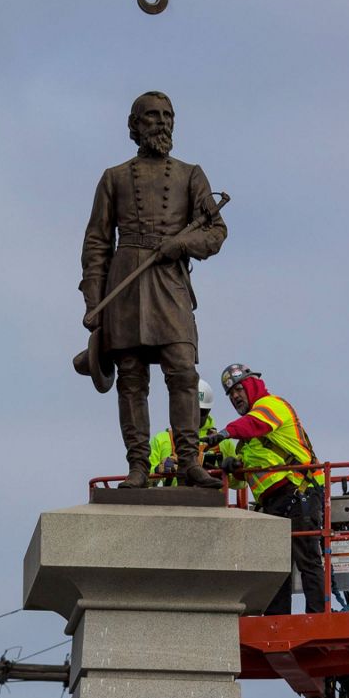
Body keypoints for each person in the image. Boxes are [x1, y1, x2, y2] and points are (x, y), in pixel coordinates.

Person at [80, 91, 227, 489]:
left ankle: (188, 462)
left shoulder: (190, 174)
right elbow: (96, 243)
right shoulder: (113, 177)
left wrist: (180, 245)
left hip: (170, 283)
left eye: (167, 116)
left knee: (183, 370)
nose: (160, 123)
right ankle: (138, 465)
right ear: (134, 126)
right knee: (131, 377)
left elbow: (215, 232)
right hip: (125, 285)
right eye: (151, 117)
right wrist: (94, 304)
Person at [204, 364, 326, 614]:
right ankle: (278, 621)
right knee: (276, 567)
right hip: (275, 502)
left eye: (238, 389)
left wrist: (226, 433)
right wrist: (234, 466)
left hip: (298, 491)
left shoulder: (270, 407)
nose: (235, 396)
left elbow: (253, 424)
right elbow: (250, 474)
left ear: (251, 385)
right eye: (231, 394)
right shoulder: (249, 438)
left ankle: (316, 617)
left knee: (307, 559)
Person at [149, 379, 238, 481]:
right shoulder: (161, 440)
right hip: (172, 496)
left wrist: (224, 473)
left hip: (212, 497)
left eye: (201, 412)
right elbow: (144, 477)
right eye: (191, 411)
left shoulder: (224, 443)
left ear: (209, 410)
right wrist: (157, 470)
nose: (195, 417)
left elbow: (241, 483)